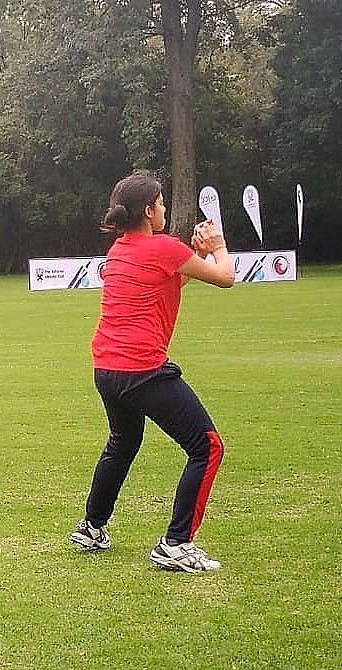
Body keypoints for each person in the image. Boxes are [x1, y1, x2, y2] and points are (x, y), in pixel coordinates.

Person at [69, 171, 236, 573]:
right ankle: (176, 544)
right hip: (141, 369)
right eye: (161, 203)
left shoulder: (119, 249)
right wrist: (217, 246)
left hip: (107, 369)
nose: (164, 208)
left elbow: (162, 281)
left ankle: (92, 527)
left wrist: (191, 257)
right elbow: (226, 278)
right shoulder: (163, 247)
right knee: (207, 446)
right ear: (148, 210)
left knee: (123, 443)